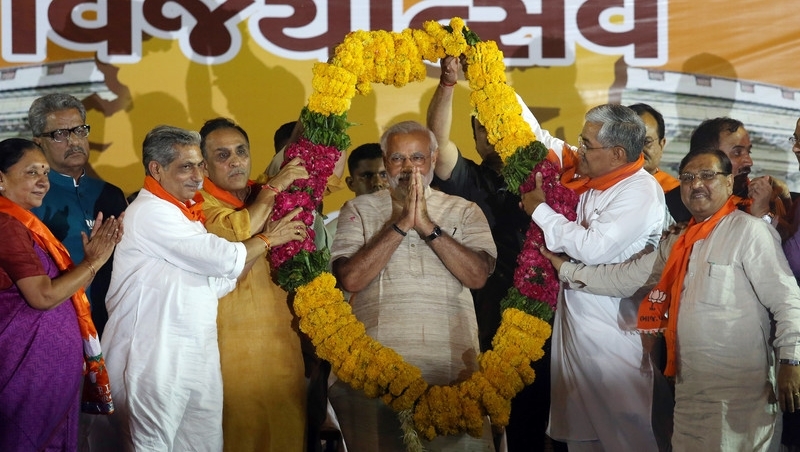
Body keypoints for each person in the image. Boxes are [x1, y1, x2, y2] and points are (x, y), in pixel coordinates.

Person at [541, 148, 800, 451]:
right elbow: (628, 276)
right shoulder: (678, 241)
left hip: (741, 393)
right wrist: (568, 270)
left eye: (707, 175)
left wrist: (790, 360)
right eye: (688, 178)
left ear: (729, 183)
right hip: (689, 392)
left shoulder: (749, 232)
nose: (696, 184)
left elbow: (786, 299)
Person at [97, 125, 300, 451]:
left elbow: (218, 282)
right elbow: (220, 257)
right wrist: (267, 239)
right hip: (152, 358)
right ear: (156, 169)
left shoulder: (185, 214)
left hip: (195, 355)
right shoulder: (150, 212)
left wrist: (259, 244)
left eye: (199, 165)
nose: (197, 176)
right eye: (186, 167)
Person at [329, 120, 498, 451]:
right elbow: (350, 278)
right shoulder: (357, 209)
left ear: (434, 159)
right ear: (385, 159)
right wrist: (401, 224)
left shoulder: (464, 210)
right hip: (373, 376)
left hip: (452, 375)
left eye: (417, 158)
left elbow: (477, 276)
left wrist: (427, 226)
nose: (408, 168)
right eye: (398, 159)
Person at [519, 104, 669, 451]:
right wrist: (492, 81)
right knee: (583, 443)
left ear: (617, 153)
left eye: (586, 144)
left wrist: (539, 210)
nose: (579, 149)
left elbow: (592, 248)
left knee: (628, 441)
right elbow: (537, 138)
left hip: (617, 342)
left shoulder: (639, 191)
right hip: (578, 339)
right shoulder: (590, 173)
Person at [429, 56, 557, 452]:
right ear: (477, 134)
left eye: (505, 126)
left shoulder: (553, 179)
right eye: (487, 127)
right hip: (484, 314)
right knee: (484, 426)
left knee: (541, 425)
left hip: (549, 317)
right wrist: (448, 86)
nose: (497, 135)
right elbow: (437, 142)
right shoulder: (470, 177)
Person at [0, 138, 121, 451]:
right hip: (27, 371)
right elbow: (42, 296)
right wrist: (93, 263)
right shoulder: (6, 226)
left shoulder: (21, 223)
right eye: (31, 173)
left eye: (44, 172)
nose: (43, 181)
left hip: (44, 371)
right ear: (1, 178)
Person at [198, 118, 310, 452]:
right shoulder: (198, 204)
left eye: (240, 151)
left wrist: (327, 100)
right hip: (230, 351)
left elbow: (316, 162)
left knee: (289, 435)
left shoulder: (264, 191)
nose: (234, 160)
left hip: (284, 345)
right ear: (203, 165)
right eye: (222, 155)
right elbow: (236, 232)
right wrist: (275, 188)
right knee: (240, 436)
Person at [29, 93, 128, 336]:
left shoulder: (111, 194)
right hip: (55, 328)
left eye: (80, 130)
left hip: (116, 328)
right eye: (60, 134)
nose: (74, 141)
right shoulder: (30, 199)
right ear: (38, 142)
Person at [665, 118, 792, 234]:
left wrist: (764, 214)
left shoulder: (763, 198)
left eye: (748, 152)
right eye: (737, 153)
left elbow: (788, 248)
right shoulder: (671, 207)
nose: (749, 161)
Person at [325, 142, 388, 239]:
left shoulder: (414, 227)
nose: (377, 183)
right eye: (367, 176)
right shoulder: (332, 234)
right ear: (351, 183)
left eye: (384, 175)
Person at [627, 103, 679, 192]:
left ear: (661, 145)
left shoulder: (675, 192)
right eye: (630, 142)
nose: (638, 150)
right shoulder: (603, 187)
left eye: (646, 142)